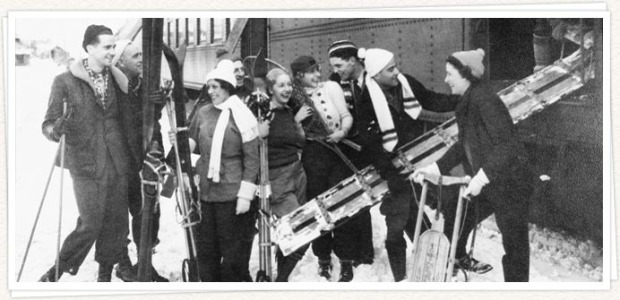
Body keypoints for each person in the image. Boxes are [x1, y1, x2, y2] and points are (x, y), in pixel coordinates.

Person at [413, 49, 533, 282]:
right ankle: (453, 260)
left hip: (511, 182)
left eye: (450, 74)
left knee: (514, 246)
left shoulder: (485, 100)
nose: (446, 80)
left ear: (466, 74)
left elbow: (507, 144)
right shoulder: (467, 101)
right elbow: (463, 144)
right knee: (459, 212)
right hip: (491, 178)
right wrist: (435, 168)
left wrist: (481, 178)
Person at [353, 48, 462, 281]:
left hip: (416, 161)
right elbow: (371, 145)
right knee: (396, 224)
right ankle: (401, 280)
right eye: (390, 69)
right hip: (389, 169)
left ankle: (435, 266)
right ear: (375, 75)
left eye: (395, 66)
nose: (397, 72)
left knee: (417, 212)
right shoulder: (365, 101)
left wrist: (460, 100)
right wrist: (390, 174)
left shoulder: (405, 83)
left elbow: (431, 99)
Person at [39, 25, 138, 282]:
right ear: (89, 48)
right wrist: (57, 128)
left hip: (117, 163)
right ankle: (55, 273)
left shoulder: (118, 80)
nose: (112, 51)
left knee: (116, 224)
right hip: (85, 164)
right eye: (107, 47)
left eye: (114, 46)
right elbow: (47, 124)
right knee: (91, 223)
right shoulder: (65, 82)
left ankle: (104, 278)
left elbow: (133, 116)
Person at [185, 60, 260, 282]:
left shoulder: (243, 115)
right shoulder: (203, 112)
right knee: (206, 252)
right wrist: (179, 144)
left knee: (233, 255)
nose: (211, 91)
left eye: (215, 87)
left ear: (227, 86)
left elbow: (252, 160)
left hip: (231, 195)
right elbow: (192, 141)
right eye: (209, 87)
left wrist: (246, 195)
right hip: (205, 194)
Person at [287, 55, 358, 282]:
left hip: (338, 153)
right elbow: (288, 135)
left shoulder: (331, 87)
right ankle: (324, 259)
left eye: (318, 70)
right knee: (319, 207)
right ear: (299, 76)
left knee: (342, 206)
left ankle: (346, 260)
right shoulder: (294, 98)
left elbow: (346, 115)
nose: (318, 75)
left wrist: (342, 132)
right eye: (312, 72)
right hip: (314, 156)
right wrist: (297, 121)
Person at [111, 39, 168, 282]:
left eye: (141, 55)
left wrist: (158, 103)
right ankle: (122, 264)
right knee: (119, 215)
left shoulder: (145, 84)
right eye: (135, 56)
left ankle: (145, 263)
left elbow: (151, 124)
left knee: (148, 212)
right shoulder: (113, 87)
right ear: (121, 62)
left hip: (144, 158)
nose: (141, 59)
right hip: (120, 161)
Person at [326, 40, 375, 268]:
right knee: (350, 200)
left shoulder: (371, 79)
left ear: (353, 60)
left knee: (363, 202)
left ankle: (365, 251)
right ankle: (352, 252)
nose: (334, 71)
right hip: (346, 149)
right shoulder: (335, 82)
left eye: (338, 65)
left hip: (366, 149)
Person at [258, 68, 309, 282]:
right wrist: (259, 133)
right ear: (271, 89)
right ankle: (281, 281)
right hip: (277, 178)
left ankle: (282, 275)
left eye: (289, 84)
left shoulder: (288, 111)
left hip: (297, 174)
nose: (287, 89)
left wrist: (297, 123)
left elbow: (299, 141)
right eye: (281, 85)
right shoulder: (263, 114)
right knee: (304, 230)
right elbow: (252, 146)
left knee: (299, 231)